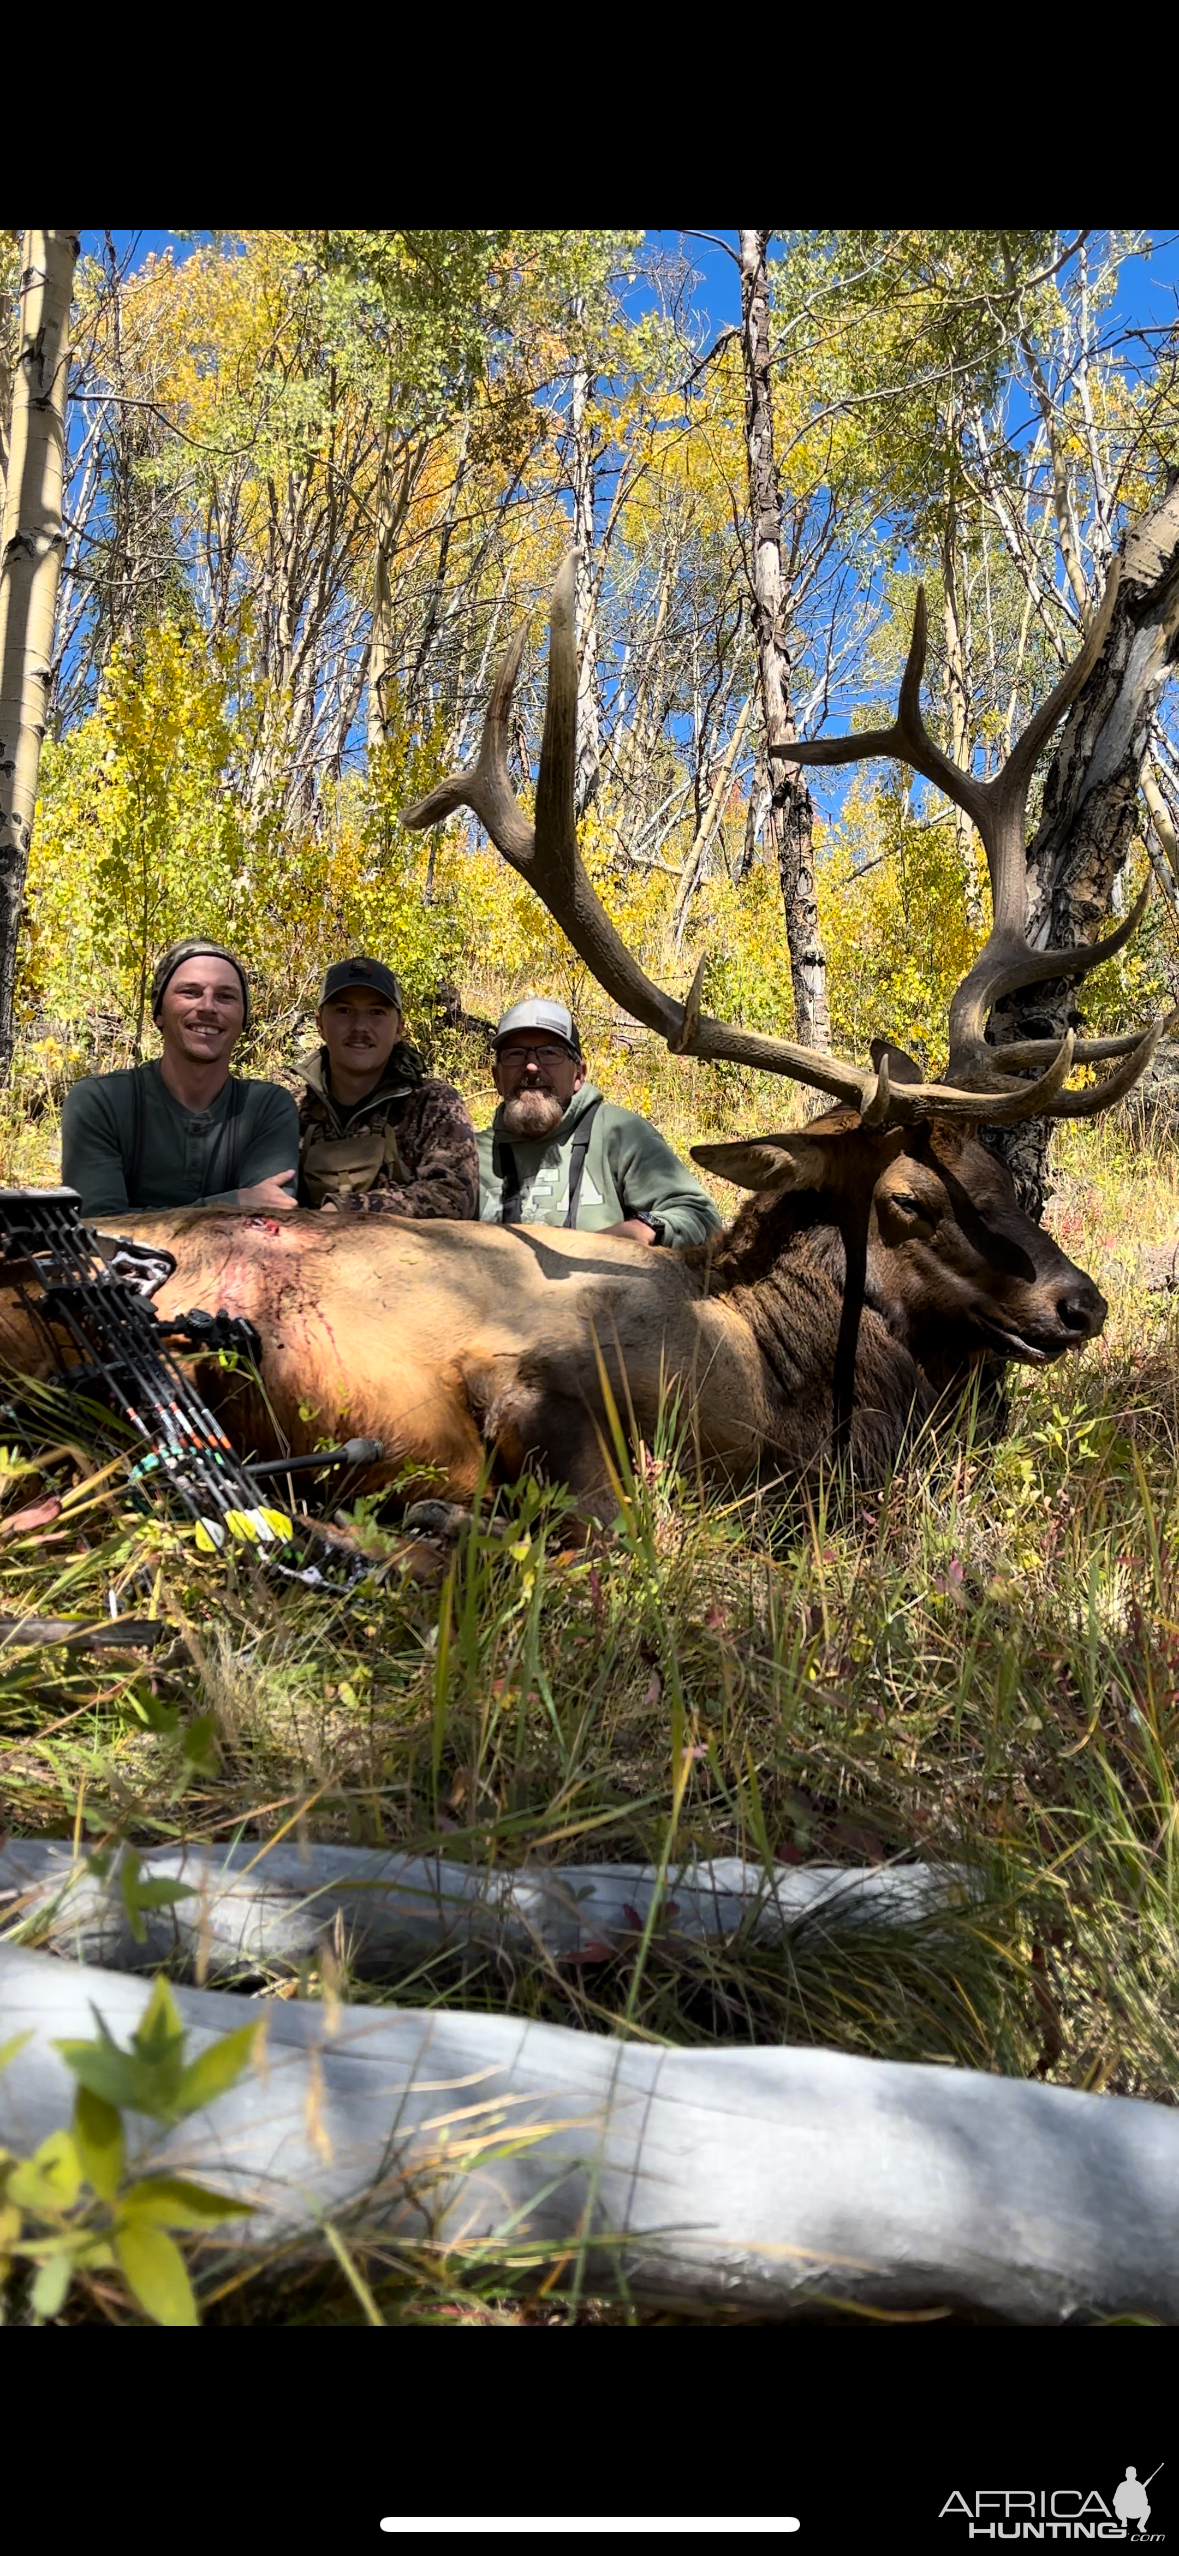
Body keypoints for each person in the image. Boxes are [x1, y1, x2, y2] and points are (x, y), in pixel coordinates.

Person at [61, 940, 299, 1220]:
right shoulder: (101, 1102)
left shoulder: (267, 1107)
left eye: (226, 996)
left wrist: (137, 1218)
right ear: (159, 1013)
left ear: (243, 1017)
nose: (208, 1006)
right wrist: (232, 1203)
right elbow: (99, 1226)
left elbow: (268, 1223)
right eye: (190, 992)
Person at [476, 997, 721, 1246]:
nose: (530, 1066)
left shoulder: (618, 1133)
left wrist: (645, 1227)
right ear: (497, 1077)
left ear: (579, 1074)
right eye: (515, 1054)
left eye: (550, 1053)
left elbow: (701, 1217)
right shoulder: (469, 1156)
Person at [297, 956, 478, 1219]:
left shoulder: (432, 1104)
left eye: (377, 1012)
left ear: (398, 1029)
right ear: (320, 1024)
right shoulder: (291, 1109)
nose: (360, 1027)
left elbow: (453, 1196)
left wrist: (345, 1210)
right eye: (344, 1011)